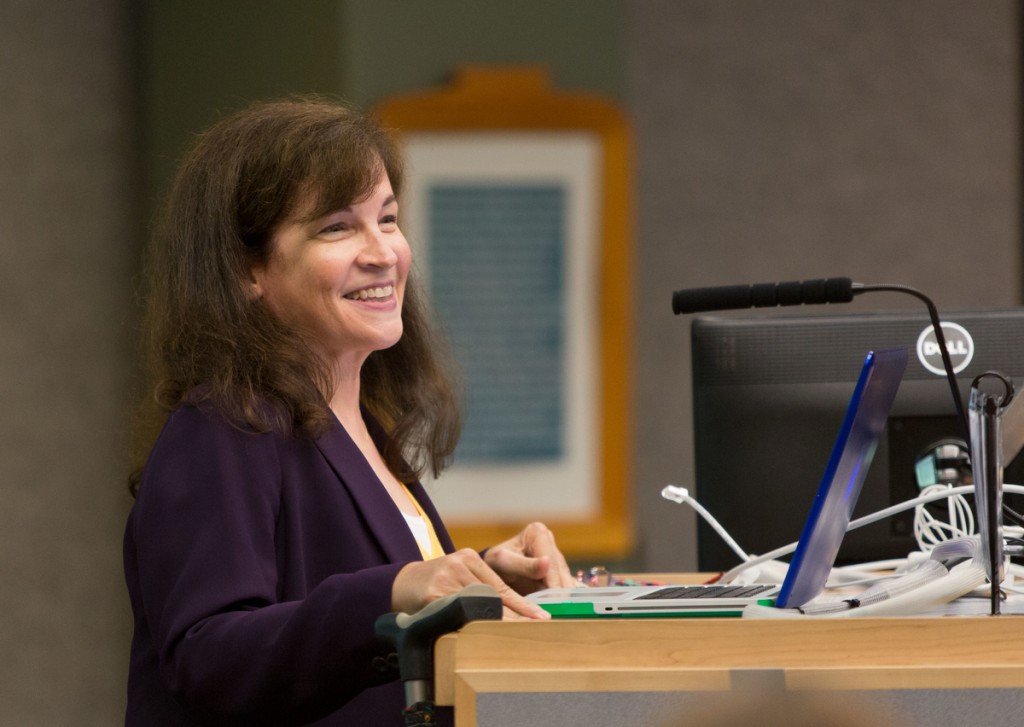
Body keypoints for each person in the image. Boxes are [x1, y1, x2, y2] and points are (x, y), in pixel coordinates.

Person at [123, 96, 576, 726]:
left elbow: (354, 620)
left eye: (387, 219)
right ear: (249, 268)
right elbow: (209, 661)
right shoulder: (223, 424)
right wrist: (394, 591)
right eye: (336, 227)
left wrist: (476, 585)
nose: (382, 252)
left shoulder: (361, 422)